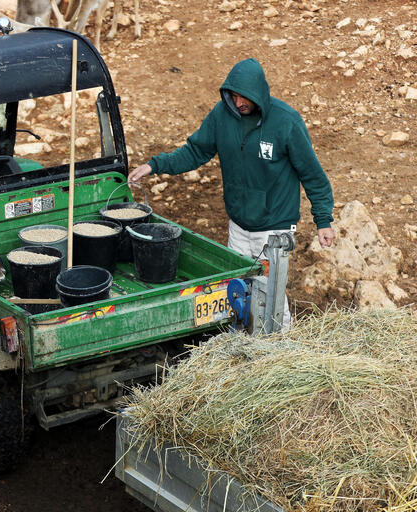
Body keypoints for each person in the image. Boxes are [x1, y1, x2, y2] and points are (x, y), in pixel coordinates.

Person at [128, 57, 335, 329]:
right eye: (233, 96)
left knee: (270, 294)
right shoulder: (222, 116)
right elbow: (195, 151)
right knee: (238, 289)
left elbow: (313, 175)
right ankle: (242, 344)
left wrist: (323, 220)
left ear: (258, 93)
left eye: (243, 97)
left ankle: (282, 343)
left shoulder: (286, 122)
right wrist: (154, 165)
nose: (238, 103)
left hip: (274, 228)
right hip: (238, 224)